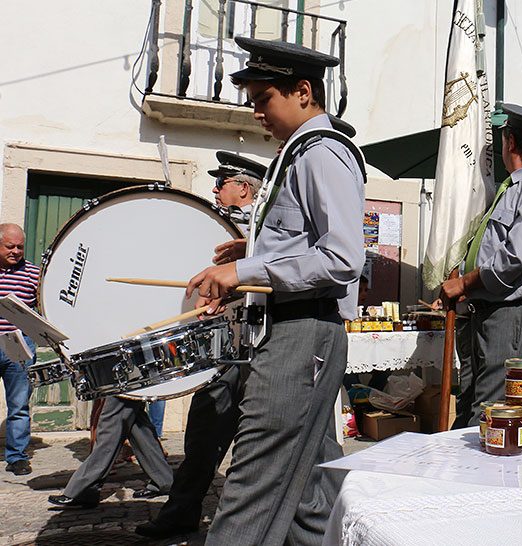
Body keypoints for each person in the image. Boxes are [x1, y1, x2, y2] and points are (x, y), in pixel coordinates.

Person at [184, 37, 365, 545]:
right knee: (309, 487)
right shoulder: (299, 153)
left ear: (302, 92)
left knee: (254, 483)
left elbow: (342, 259)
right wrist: (250, 254)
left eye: (263, 98)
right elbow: (303, 240)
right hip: (293, 328)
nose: (256, 111)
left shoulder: (322, 153)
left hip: (302, 332)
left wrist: (245, 272)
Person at [135, 153, 268, 539]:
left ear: (243, 188)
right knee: (202, 438)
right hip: (222, 348)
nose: (214, 188)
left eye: (222, 182)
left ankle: (238, 522)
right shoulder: (214, 228)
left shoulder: (254, 231)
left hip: (255, 347)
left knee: (245, 445)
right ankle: (182, 513)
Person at [441, 103, 522, 426]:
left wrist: (466, 282)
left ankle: (475, 476)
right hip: (492, 310)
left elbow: (520, 254)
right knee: (477, 405)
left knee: (491, 415)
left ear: (510, 142)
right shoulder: (519, 186)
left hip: (511, 314)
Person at [47, 396, 173, 507]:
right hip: (127, 373)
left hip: (124, 374)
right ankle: (164, 480)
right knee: (136, 423)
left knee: (111, 423)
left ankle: (83, 488)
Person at [0, 224, 38, 476]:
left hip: (19, 344)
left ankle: (16, 457)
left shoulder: (35, 273)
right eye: (9, 246)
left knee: (19, 404)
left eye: (20, 246)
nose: (15, 251)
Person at [210, 150, 264, 225]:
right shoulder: (221, 219)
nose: (214, 190)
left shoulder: (253, 227)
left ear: (243, 189)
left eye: (220, 182)